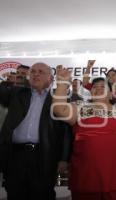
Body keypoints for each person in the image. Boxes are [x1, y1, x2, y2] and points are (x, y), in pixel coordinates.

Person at [52, 66, 116, 200]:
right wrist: (62, 84)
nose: (98, 89)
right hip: (86, 174)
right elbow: (58, 110)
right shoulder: (80, 106)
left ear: (110, 94)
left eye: (102, 87)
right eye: (94, 87)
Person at [0, 62, 72, 200]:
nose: (35, 74)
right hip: (15, 156)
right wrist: (6, 81)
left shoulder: (58, 99)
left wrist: (63, 159)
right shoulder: (17, 93)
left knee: (42, 193)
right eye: (33, 71)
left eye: (40, 72)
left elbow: (66, 133)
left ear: (51, 79)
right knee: (15, 193)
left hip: (44, 156)